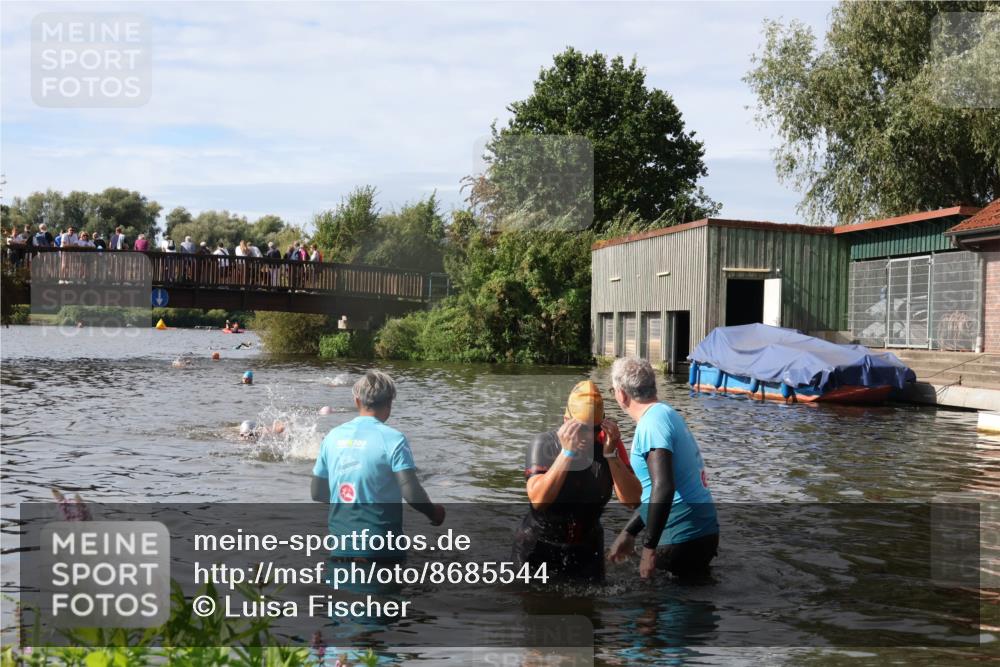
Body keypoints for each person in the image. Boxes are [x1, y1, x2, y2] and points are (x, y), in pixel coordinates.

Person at [513, 380, 641, 582]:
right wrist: (567, 453)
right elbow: (538, 500)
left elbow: (633, 501)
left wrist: (611, 456)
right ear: (566, 420)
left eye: (594, 429)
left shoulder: (609, 446)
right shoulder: (544, 444)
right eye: (580, 428)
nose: (588, 436)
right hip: (539, 548)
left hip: (587, 550)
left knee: (591, 609)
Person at [311, 370, 445, 561]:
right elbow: (412, 494)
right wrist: (434, 513)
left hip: (340, 551)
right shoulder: (394, 439)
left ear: (357, 401)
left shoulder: (332, 436)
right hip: (382, 551)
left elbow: (317, 492)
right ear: (390, 403)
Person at [606, 357, 719, 580]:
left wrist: (648, 550)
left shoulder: (651, 425)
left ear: (621, 393)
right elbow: (656, 491)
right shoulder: (666, 413)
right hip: (702, 531)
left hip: (680, 537)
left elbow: (664, 487)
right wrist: (629, 532)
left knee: (652, 609)